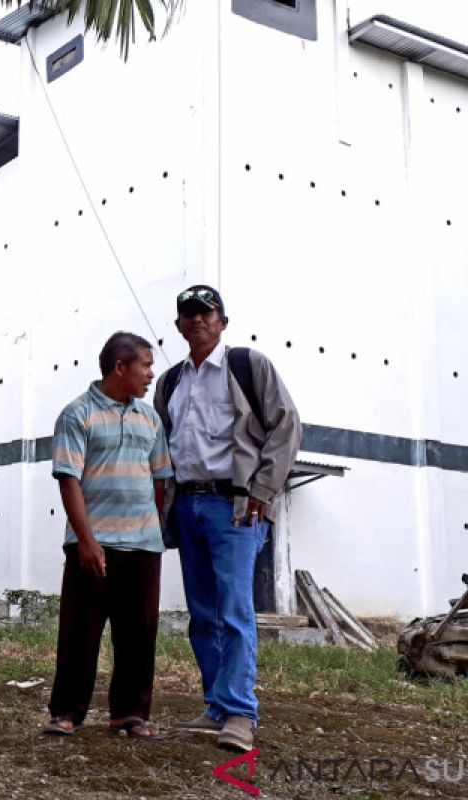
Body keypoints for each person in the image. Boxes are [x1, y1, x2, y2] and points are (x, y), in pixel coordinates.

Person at [153, 285, 301, 753]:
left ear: (222, 321)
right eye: (189, 314)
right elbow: (160, 447)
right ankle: (216, 707)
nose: (197, 319)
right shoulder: (171, 381)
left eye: (206, 312)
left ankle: (239, 712)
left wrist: (263, 488)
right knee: (202, 612)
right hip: (187, 505)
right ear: (179, 325)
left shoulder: (247, 366)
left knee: (235, 609)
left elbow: (287, 426)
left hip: (234, 507)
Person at [45, 332, 173, 739]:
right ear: (120, 367)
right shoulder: (76, 414)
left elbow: (159, 480)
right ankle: (67, 712)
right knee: (79, 634)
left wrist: (149, 528)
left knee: (139, 635)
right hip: (92, 546)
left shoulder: (150, 419)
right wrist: (86, 540)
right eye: (145, 365)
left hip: (143, 546)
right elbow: (69, 481)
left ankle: (130, 715)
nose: (151, 374)